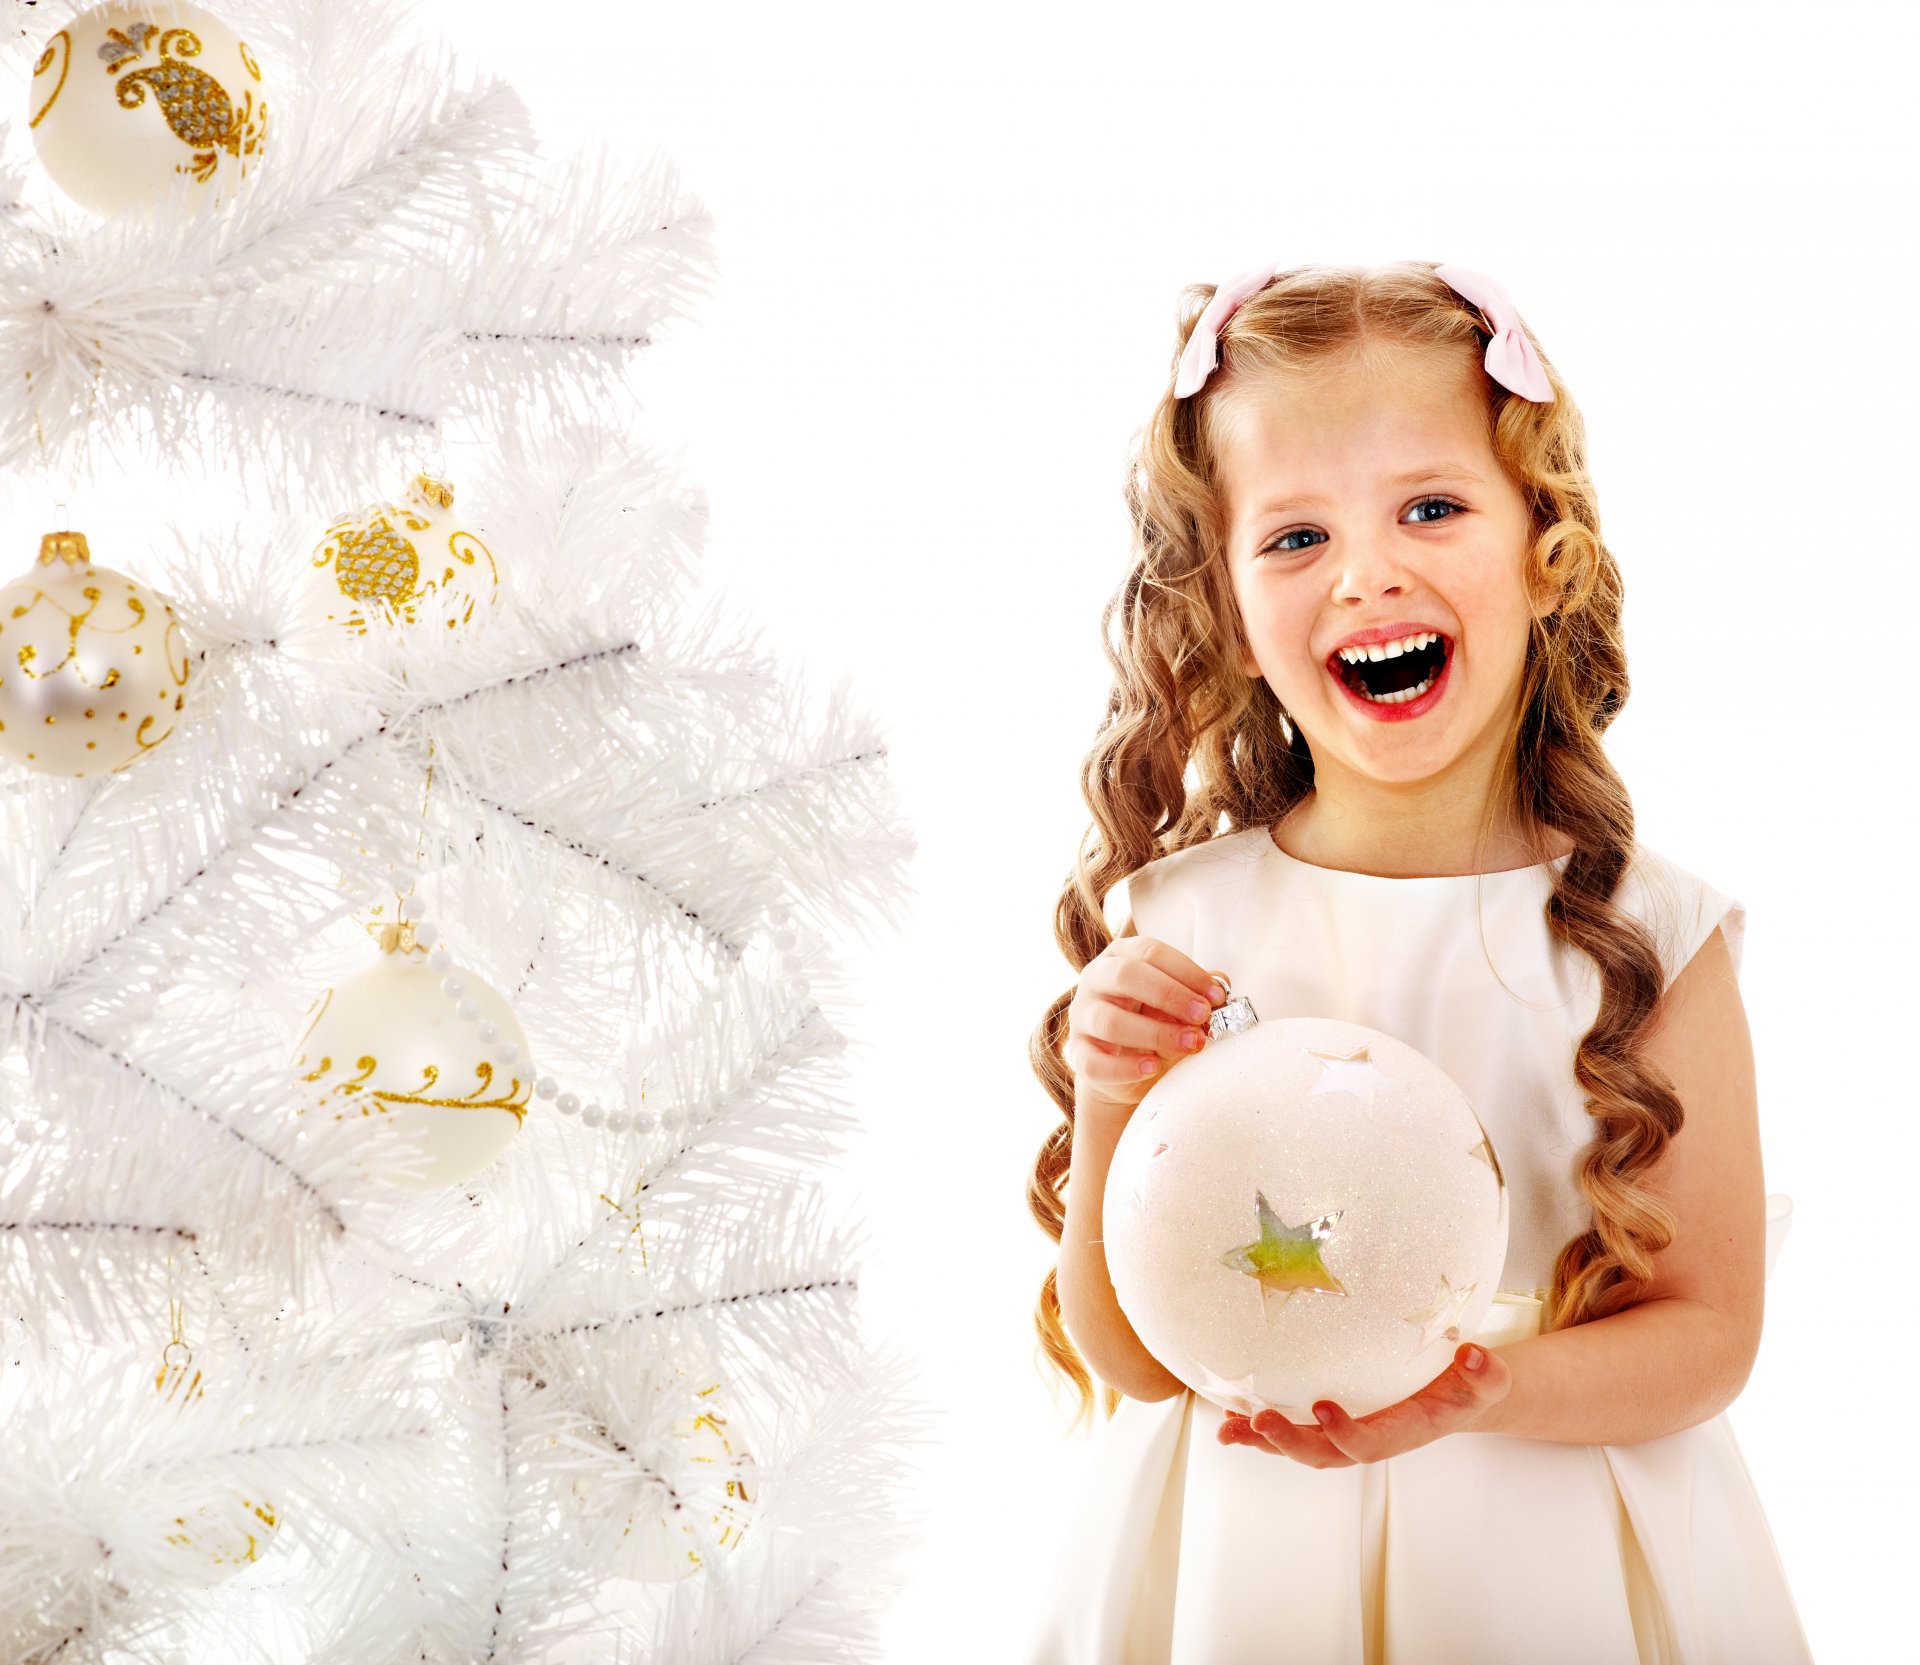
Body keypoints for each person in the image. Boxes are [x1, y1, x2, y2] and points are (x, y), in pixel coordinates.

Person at [1022, 261, 1814, 1664]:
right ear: (1222, 596)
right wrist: (1105, 1090)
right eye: (1295, 536)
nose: (1368, 571)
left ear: (1542, 543)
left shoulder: (1650, 939)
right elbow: (1132, 1352)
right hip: (1245, 1565)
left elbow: (1710, 1330)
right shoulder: (1187, 923)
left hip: (1545, 1551)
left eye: (1431, 508)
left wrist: (1478, 1391)